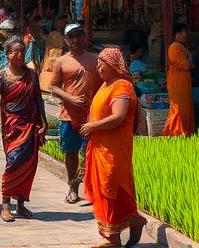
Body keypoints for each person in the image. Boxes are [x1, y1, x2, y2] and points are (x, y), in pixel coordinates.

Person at [80, 48, 144, 247]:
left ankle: (112, 237)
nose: (98, 67)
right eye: (97, 63)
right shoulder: (104, 86)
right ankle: (130, 221)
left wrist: (93, 126)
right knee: (102, 188)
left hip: (114, 150)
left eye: (102, 63)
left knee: (111, 186)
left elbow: (118, 117)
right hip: (99, 147)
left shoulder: (122, 86)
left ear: (114, 65)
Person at [0, 35, 47, 223]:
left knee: (28, 164)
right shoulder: (1, 76)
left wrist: (43, 121)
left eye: (23, 51)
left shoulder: (32, 75)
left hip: (30, 124)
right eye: (16, 51)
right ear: (8, 54)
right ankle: (5, 204)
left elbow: (38, 98)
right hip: (11, 126)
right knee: (13, 163)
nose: (20, 54)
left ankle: (21, 203)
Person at [49, 21, 98, 203]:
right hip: (69, 115)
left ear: (85, 37)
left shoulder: (95, 59)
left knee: (91, 152)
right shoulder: (61, 61)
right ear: (65, 40)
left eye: (78, 35)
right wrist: (70, 98)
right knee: (70, 152)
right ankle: (73, 187)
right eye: (71, 37)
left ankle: (91, 189)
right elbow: (53, 87)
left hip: (92, 116)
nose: (75, 40)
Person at [162, 23, 195, 137]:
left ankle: (184, 132)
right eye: (182, 32)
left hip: (184, 81)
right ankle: (176, 132)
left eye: (185, 32)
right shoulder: (175, 47)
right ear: (176, 34)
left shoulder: (182, 47)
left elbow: (190, 65)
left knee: (185, 106)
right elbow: (186, 65)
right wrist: (190, 62)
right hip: (177, 82)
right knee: (179, 108)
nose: (185, 34)